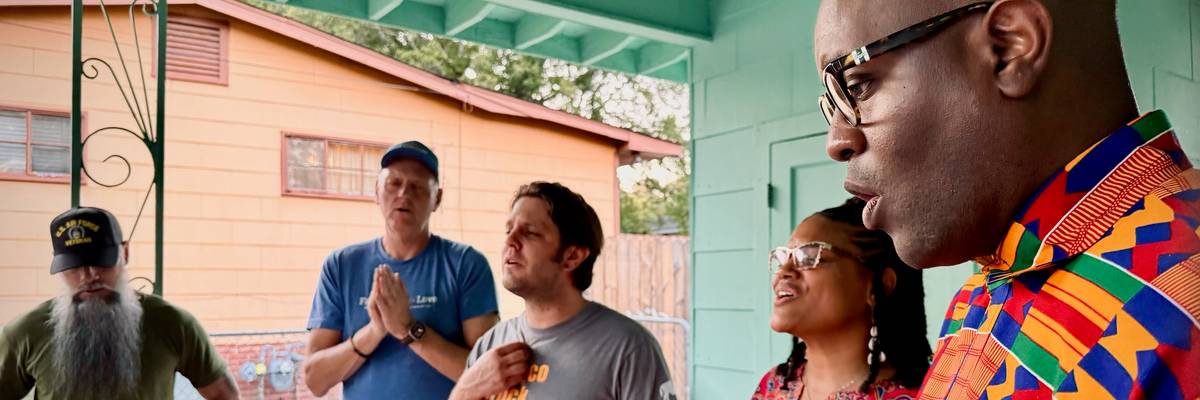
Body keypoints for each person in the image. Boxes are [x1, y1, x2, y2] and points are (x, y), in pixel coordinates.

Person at [813, 0, 1200, 397]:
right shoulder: (976, 296)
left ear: (1008, 47)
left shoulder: (1181, 304)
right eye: (831, 105)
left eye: (857, 86)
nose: (836, 142)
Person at [302, 140, 500, 399]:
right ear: (376, 192)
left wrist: (409, 329)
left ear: (437, 199)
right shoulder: (341, 265)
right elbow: (315, 380)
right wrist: (375, 330)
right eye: (393, 184)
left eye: (417, 187)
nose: (404, 194)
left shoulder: (466, 264)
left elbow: (489, 374)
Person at [449, 181, 676, 400]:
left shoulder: (628, 348)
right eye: (509, 230)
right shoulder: (490, 345)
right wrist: (464, 391)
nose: (510, 241)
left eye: (530, 232)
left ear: (572, 256)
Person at [0, 207, 238, 400]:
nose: (88, 276)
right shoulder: (26, 333)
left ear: (124, 253)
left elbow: (223, 395)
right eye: (74, 267)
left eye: (99, 261)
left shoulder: (172, 323)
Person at [753, 198, 930, 400]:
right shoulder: (773, 385)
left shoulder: (926, 395)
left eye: (809, 256)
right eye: (783, 257)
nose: (783, 271)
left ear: (877, 286)